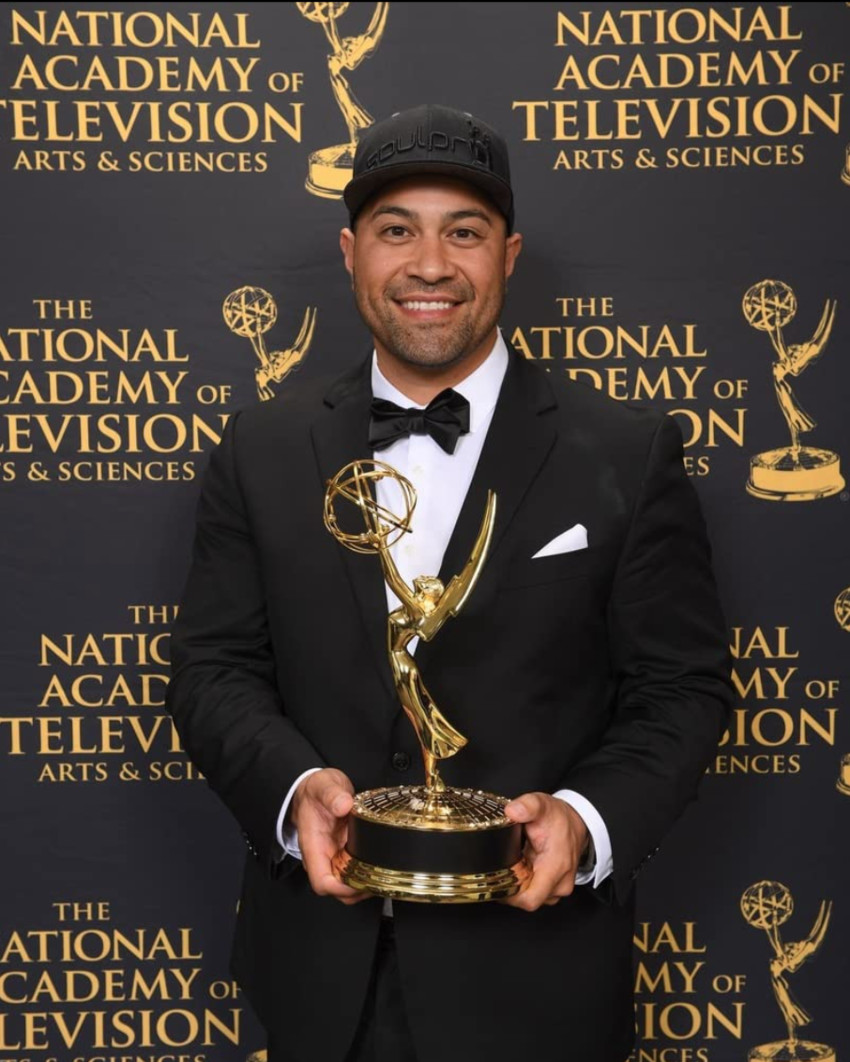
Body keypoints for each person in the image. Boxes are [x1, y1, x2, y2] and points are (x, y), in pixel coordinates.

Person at [167, 104, 732, 1062]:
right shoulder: (260, 450)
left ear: (508, 254)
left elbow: (683, 691)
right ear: (350, 252)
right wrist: (295, 788)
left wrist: (586, 824)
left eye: (462, 232)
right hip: (320, 975)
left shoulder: (627, 453)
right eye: (397, 231)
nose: (430, 265)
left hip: (538, 980)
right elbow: (213, 668)